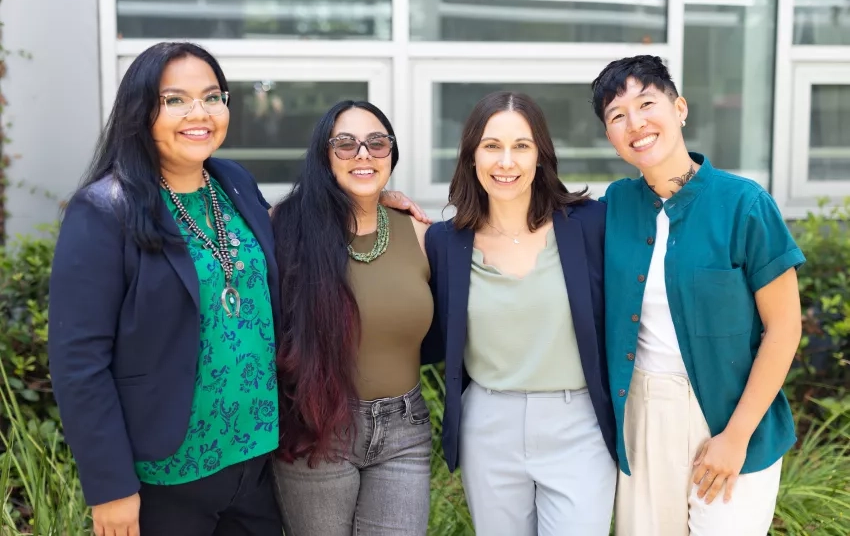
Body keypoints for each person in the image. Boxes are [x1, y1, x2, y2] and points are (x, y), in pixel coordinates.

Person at [47, 41, 425, 536]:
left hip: (255, 461)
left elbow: (303, 221)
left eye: (211, 96)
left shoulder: (234, 183)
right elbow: (78, 361)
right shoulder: (104, 210)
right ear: (142, 111)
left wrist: (371, 196)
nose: (198, 112)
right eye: (175, 99)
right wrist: (110, 487)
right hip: (166, 472)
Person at [592, 55, 804, 535]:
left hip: (733, 415)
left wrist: (736, 436)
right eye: (617, 116)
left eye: (647, 103)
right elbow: (529, 219)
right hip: (643, 416)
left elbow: (785, 326)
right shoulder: (615, 206)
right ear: (610, 136)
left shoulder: (744, 203)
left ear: (680, 108)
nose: (636, 123)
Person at [424, 91, 618, 535]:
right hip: (489, 425)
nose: (506, 162)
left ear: (541, 157)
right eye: (492, 146)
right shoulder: (444, 243)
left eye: (521, 146)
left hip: (578, 423)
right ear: (472, 156)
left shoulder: (590, 224)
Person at [271, 101, 434, 536]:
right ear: (324, 156)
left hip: (404, 430)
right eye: (345, 144)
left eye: (376, 143)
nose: (363, 154)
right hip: (317, 425)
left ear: (391, 155)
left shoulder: (417, 231)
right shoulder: (284, 229)